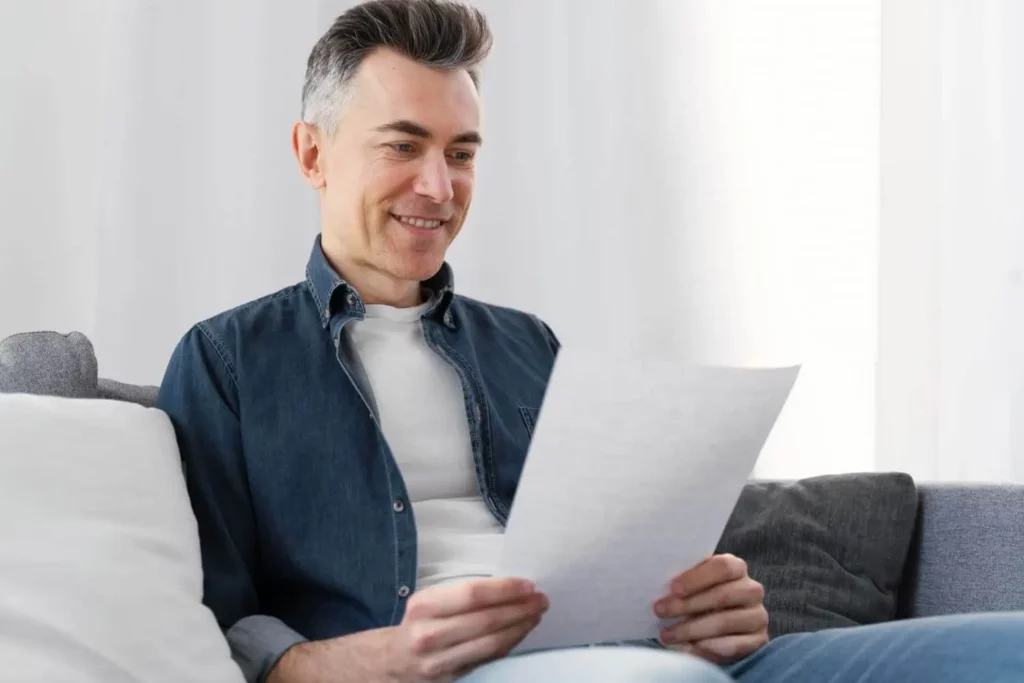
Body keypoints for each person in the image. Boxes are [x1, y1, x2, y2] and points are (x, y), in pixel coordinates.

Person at [157, 1, 1024, 682]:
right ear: (312, 154)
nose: (439, 186)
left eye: (462, 153)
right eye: (403, 145)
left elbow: (612, 556)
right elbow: (211, 622)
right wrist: (378, 659)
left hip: (645, 659)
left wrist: (701, 606)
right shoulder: (229, 360)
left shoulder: (526, 345)